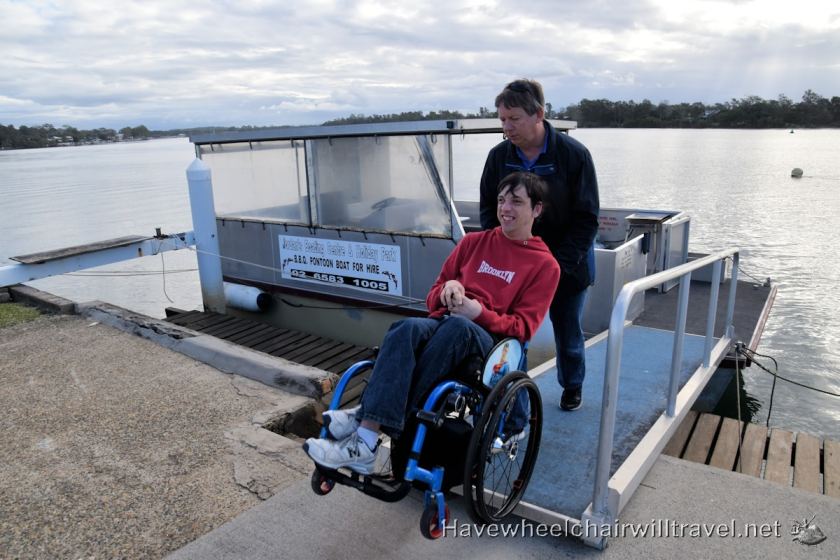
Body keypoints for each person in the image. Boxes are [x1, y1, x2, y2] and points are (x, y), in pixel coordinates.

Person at [304, 172, 561, 474]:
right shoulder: (473, 243)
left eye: (517, 202)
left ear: (537, 210)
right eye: (502, 200)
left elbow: (523, 329)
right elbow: (431, 299)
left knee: (459, 327)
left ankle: (365, 419)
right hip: (447, 321)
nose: (506, 208)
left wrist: (477, 312)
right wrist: (447, 290)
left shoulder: (545, 265)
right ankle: (366, 434)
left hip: (490, 342)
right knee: (407, 328)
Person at [479, 79, 599, 412]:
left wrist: (555, 267)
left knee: (568, 334)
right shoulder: (499, 157)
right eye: (502, 119)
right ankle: (513, 398)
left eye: (514, 118)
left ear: (539, 115)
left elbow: (587, 218)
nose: (507, 126)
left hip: (566, 265)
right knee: (513, 336)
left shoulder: (574, 156)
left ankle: (572, 385)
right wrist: (503, 255)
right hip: (513, 269)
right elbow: (489, 211)